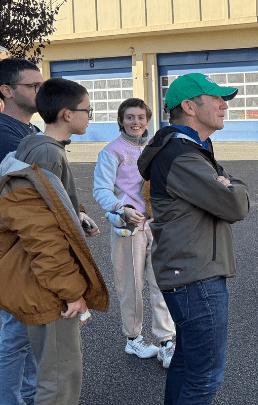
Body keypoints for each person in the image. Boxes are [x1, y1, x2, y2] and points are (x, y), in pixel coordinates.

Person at [0, 77, 109, 405]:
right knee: (58, 375)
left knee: (39, 362)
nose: (89, 117)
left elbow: (47, 210)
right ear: (67, 114)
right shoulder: (47, 154)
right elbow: (42, 235)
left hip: (32, 275)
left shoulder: (37, 145)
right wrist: (70, 290)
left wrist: (75, 215)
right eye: (88, 111)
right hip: (42, 280)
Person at [138, 73, 250, 405]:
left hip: (190, 273)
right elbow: (234, 204)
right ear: (189, 106)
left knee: (187, 364)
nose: (223, 105)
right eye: (216, 98)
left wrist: (226, 182)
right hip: (196, 278)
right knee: (205, 376)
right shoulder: (182, 155)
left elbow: (225, 191)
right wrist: (232, 185)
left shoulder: (189, 149)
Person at [0, 58, 42, 405]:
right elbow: (38, 184)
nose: (40, 91)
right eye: (33, 86)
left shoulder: (30, 130)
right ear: (7, 91)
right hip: (10, 248)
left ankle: (29, 398)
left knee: (31, 331)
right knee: (16, 335)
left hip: (30, 244)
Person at [93, 98, 175, 367]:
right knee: (131, 286)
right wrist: (121, 208)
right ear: (120, 120)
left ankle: (166, 341)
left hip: (157, 225)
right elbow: (101, 190)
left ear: (148, 120)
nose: (136, 122)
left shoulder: (157, 148)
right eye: (130, 117)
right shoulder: (111, 152)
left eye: (141, 117)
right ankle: (133, 339)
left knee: (162, 283)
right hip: (128, 227)